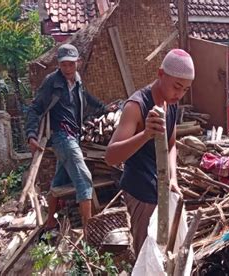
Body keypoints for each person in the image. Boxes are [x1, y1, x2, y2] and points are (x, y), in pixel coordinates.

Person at [105, 49, 194, 258]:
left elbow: (172, 144)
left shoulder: (171, 104)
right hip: (141, 192)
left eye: (185, 90)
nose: (179, 94)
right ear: (160, 74)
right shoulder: (136, 106)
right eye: (177, 87)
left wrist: (174, 178)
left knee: (166, 253)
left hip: (163, 189)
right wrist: (145, 134)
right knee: (147, 256)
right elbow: (110, 157)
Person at [25, 44, 115, 232]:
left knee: (59, 181)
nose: (67, 69)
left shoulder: (77, 81)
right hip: (61, 137)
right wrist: (31, 134)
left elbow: (86, 97)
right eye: (64, 65)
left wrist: (105, 108)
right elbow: (34, 108)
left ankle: (50, 221)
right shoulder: (52, 82)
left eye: (71, 65)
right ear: (59, 65)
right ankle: (89, 231)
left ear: (78, 64)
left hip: (74, 135)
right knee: (84, 179)